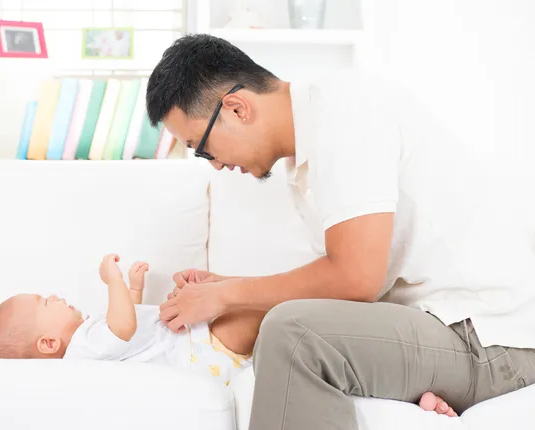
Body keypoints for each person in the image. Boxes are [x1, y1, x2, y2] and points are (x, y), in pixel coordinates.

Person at [146, 34, 535, 430]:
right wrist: (224, 287)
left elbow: (355, 278)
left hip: (490, 338)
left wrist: (226, 295)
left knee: (294, 335)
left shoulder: (345, 111)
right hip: (451, 330)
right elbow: (349, 279)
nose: (213, 164)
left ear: (236, 108)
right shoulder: (313, 148)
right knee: (289, 328)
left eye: (202, 147)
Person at [0, 254, 264, 387]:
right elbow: (124, 328)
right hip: (202, 350)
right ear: (49, 342)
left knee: (255, 314)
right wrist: (112, 280)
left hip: (200, 343)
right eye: (44, 302)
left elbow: (128, 326)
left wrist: (134, 288)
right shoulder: (82, 348)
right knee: (253, 310)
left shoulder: (91, 340)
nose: (53, 296)